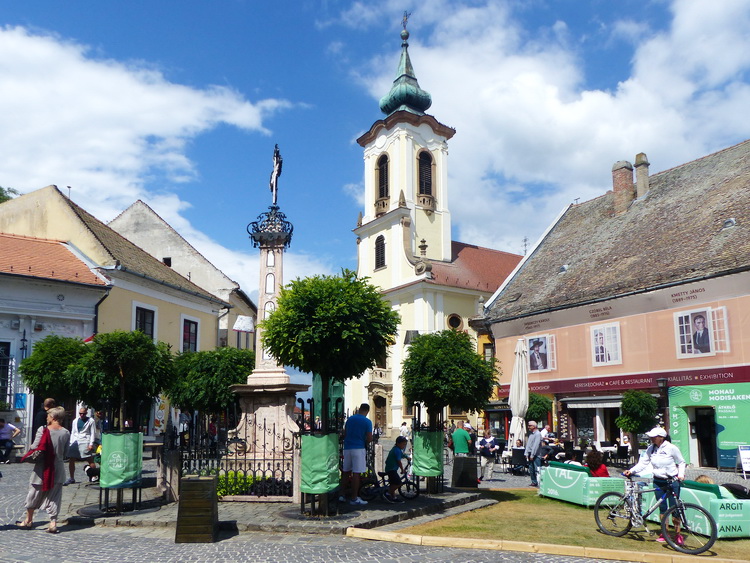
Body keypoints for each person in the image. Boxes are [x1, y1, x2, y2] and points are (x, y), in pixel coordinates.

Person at [624, 426, 686, 544]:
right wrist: (631, 471)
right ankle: (665, 533)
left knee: (675, 509)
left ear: (661, 437)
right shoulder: (651, 449)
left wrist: (681, 474)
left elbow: (681, 462)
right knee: (662, 508)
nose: (651, 438)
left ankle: (678, 534)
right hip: (658, 481)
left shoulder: (671, 448)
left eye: (653, 437)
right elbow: (643, 463)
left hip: (672, 481)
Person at [18, 406, 70, 532]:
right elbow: (66, 452)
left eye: (48, 416)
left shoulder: (43, 429)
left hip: (42, 468)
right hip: (58, 468)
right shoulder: (66, 432)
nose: (47, 418)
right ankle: (53, 523)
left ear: (53, 417)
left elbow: (35, 446)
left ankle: (28, 520)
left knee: (33, 494)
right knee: (55, 496)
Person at [340, 403, 373, 506]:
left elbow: (345, 433)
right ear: (367, 411)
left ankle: (342, 495)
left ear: (359, 409)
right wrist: (365, 441)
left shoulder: (350, 419)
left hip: (347, 447)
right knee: (356, 473)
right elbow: (369, 438)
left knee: (346, 472)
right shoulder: (367, 421)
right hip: (358, 448)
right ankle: (354, 498)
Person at [65, 407, 96, 485]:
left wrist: (91, 443)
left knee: (89, 458)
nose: (82, 415)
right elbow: (73, 432)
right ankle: (72, 478)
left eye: (83, 413)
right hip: (75, 441)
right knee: (72, 458)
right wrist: (71, 442)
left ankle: (94, 476)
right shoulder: (75, 421)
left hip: (85, 440)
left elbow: (93, 432)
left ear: (86, 413)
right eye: (80, 413)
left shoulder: (91, 421)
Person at [383, 436, 408, 503]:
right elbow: (399, 461)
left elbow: (402, 455)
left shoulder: (397, 449)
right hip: (391, 469)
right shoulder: (396, 450)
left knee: (393, 484)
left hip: (391, 468)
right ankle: (387, 493)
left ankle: (394, 497)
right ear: (398, 443)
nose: (404, 446)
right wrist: (402, 469)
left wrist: (407, 457)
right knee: (398, 483)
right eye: (403, 444)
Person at [524, 420, 542, 487]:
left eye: (529, 426)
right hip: (530, 454)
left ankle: (539, 482)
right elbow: (528, 444)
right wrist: (526, 453)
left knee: (537, 469)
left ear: (534, 426)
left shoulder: (538, 434)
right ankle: (533, 481)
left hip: (536, 455)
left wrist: (532, 455)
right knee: (531, 469)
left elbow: (536, 445)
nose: (528, 427)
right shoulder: (531, 434)